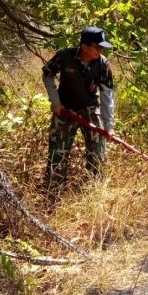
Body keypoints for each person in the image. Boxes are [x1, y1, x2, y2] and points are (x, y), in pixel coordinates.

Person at [42, 26, 115, 190]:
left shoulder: (103, 64)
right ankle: (54, 191)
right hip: (65, 110)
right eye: (98, 47)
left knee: (97, 154)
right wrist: (55, 101)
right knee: (57, 155)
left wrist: (108, 126)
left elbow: (107, 95)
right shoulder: (64, 56)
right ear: (84, 47)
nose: (101, 50)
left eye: (103, 47)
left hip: (90, 110)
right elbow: (47, 74)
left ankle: (95, 190)